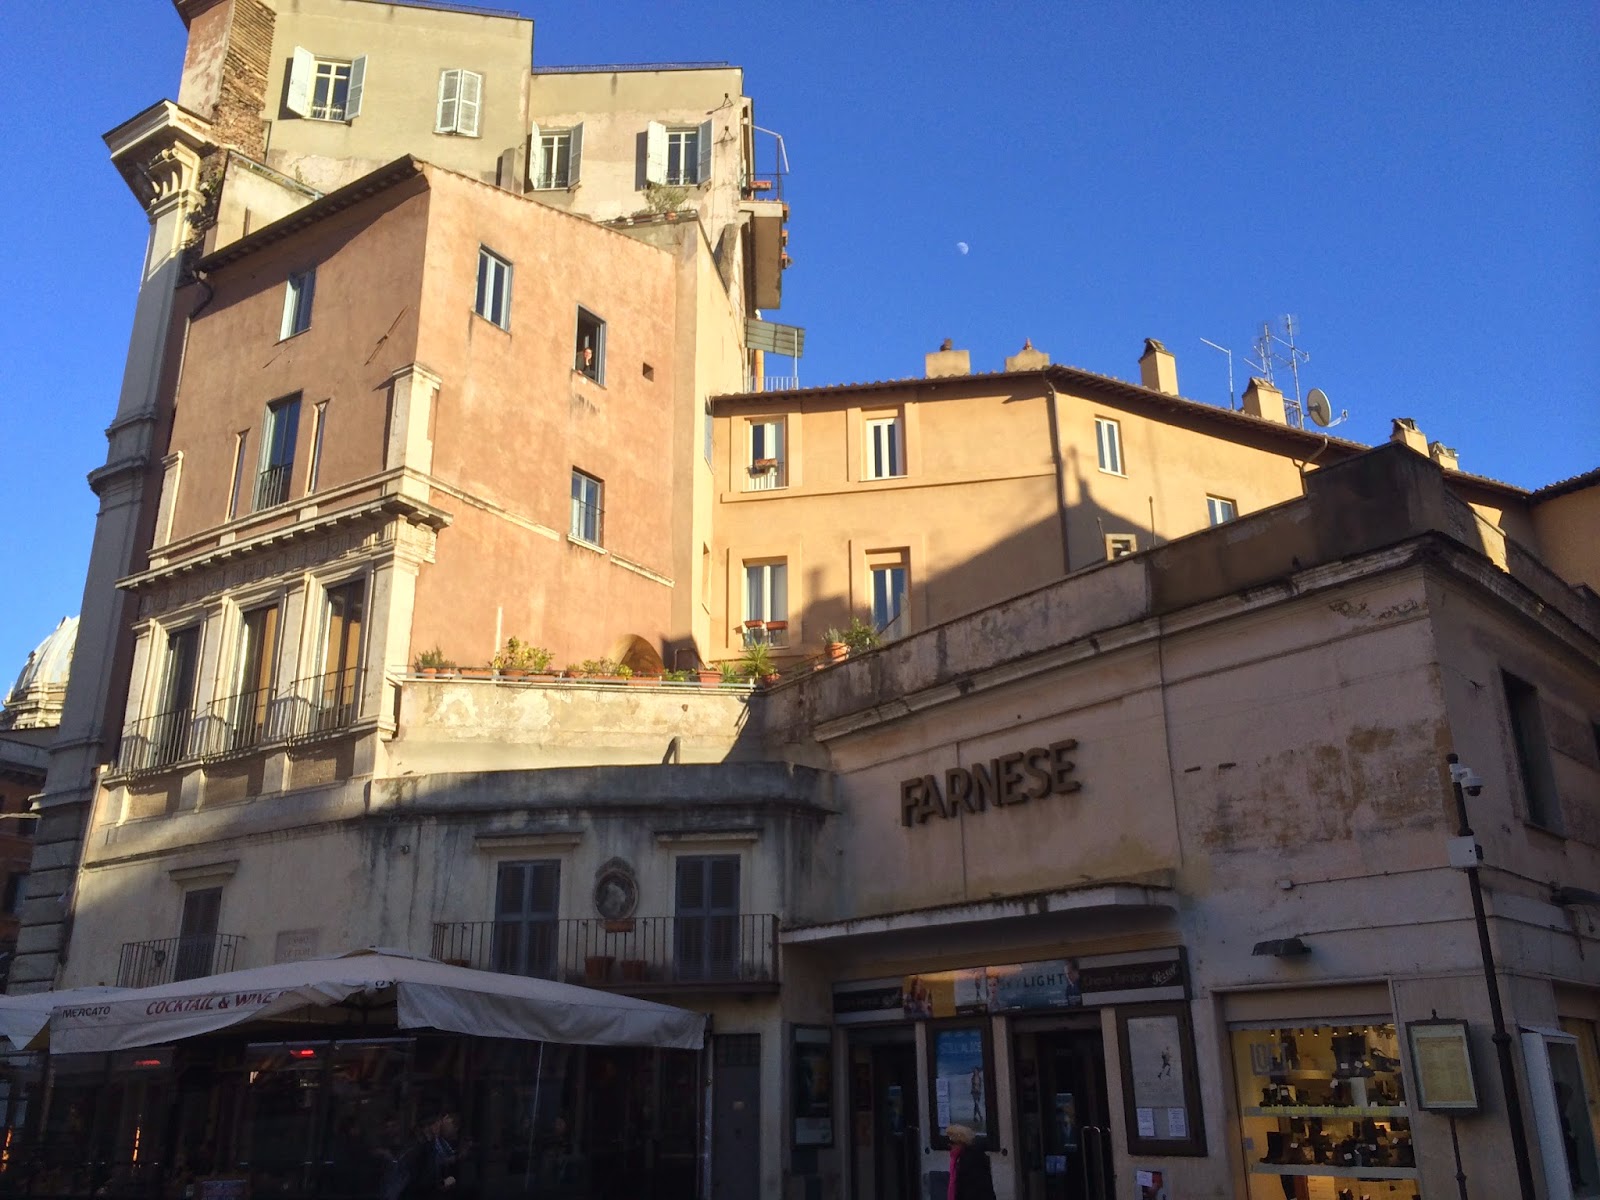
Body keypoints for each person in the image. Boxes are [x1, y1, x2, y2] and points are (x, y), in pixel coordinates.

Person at [946, 1124, 995, 1200]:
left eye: (952, 1142)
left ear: (961, 1142)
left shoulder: (971, 1159)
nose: (949, 1145)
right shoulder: (962, 1157)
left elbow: (972, 1188)